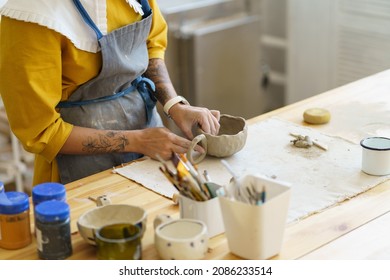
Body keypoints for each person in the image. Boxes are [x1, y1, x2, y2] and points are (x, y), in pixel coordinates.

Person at [0, 0, 220, 185]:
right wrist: (139, 141)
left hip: (150, 144)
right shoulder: (31, 17)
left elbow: (151, 45)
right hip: (77, 171)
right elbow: (42, 133)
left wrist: (175, 105)